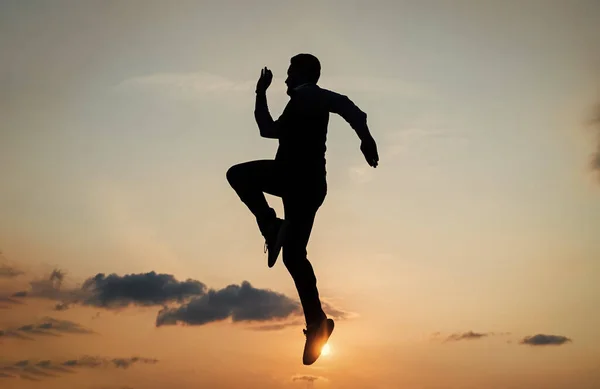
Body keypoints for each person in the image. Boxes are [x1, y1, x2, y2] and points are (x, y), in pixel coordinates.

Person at [226, 53, 379, 365]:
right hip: (310, 187)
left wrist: (366, 139)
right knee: (294, 256)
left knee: (237, 174)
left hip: (293, 179)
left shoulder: (310, 95)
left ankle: (270, 225)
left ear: (301, 74)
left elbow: (351, 110)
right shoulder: (302, 102)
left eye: (289, 73)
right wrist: (365, 139)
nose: (284, 79)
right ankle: (318, 324)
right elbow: (269, 129)